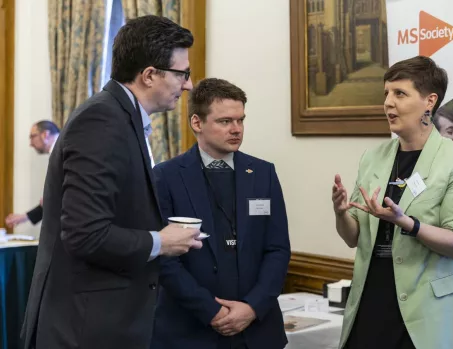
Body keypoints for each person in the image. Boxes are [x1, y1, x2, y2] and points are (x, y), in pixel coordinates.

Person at [21, 15, 203, 349]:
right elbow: (84, 234)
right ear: (150, 75)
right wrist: (161, 242)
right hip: (85, 327)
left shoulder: (122, 118)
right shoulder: (102, 119)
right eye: (183, 74)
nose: (189, 85)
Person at [332, 56, 453, 349]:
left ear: (430, 101)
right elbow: (354, 238)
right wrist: (340, 214)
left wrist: (407, 223)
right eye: (386, 93)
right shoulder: (373, 157)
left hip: (428, 314)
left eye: (400, 93)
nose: (388, 102)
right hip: (371, 303)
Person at [150, 78, 291, 349]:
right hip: (189, 330)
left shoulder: (263, 173)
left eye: (240, 120)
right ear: (197, 123)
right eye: (225, 121)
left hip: (257, 329)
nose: (236, 129)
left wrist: (252, 307)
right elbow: (164, 260)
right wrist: (211, 311)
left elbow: (277, 249)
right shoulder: (165, 177)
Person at [5, 120, 59, 228]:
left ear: (45, 135)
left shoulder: (64, 152)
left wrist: (51, 198)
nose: (30, 143)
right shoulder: (56, 154)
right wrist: (25, 217)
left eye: (32, 136)